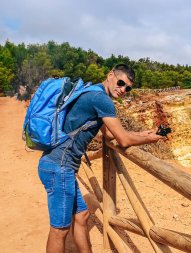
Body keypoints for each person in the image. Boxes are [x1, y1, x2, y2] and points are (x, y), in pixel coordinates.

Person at [38, 63, 165, 253]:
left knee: (80, 216)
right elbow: (121, 139)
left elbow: (109, 134)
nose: (123, 90)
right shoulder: (101, 99)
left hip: (59, 165)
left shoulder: (93, 91)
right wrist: (149, 138)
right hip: (59, 166)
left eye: (127, 88)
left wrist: (145, 134)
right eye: (121, 83)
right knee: (59, 230)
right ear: (110, 75)